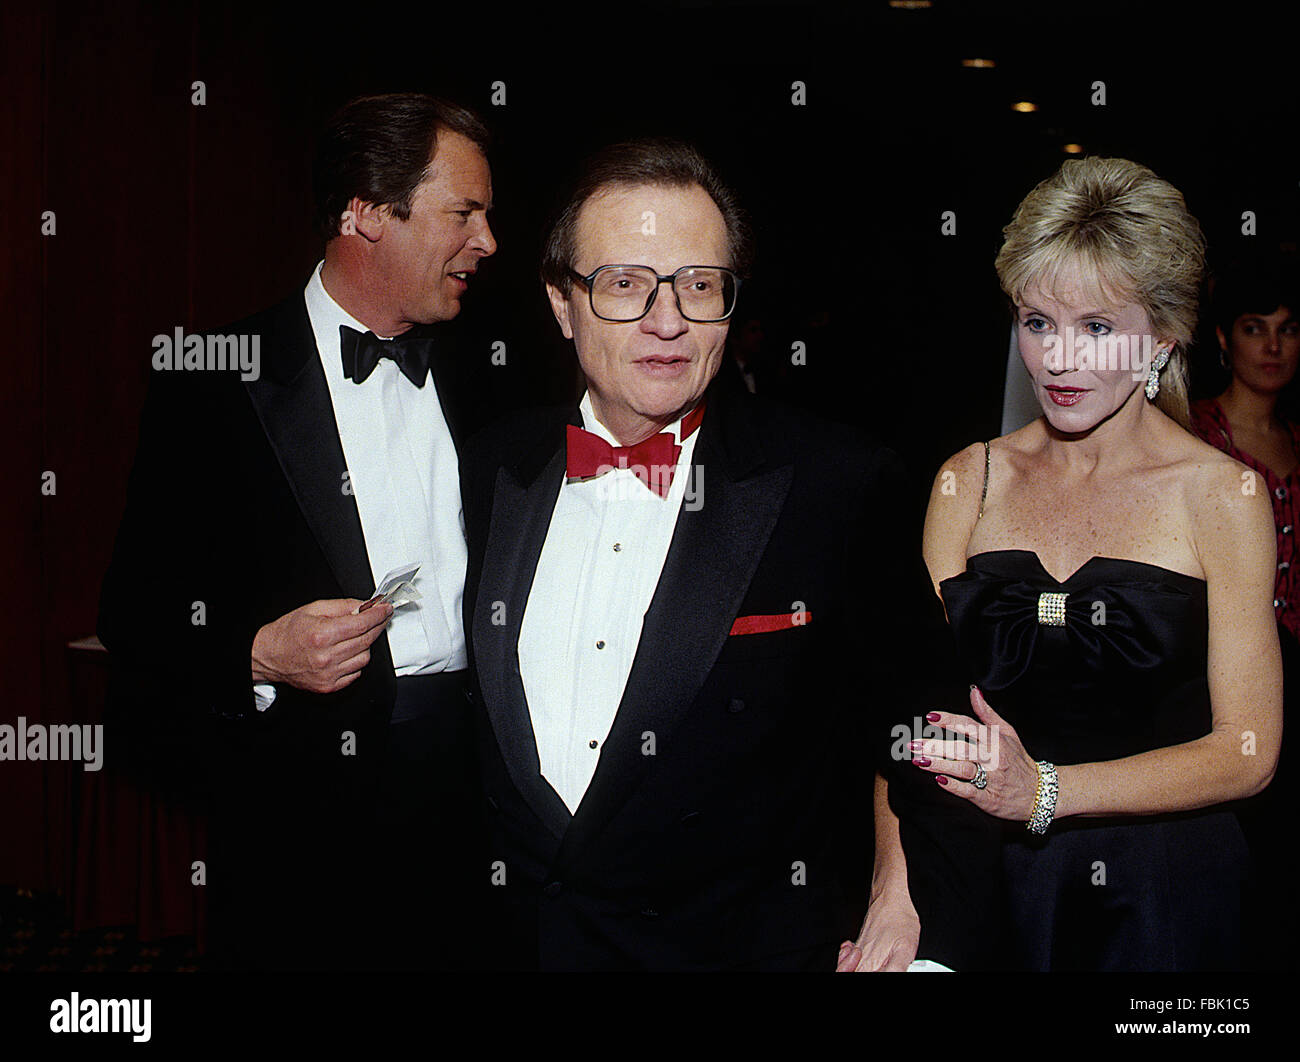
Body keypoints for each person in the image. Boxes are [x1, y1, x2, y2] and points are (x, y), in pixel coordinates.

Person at [459, 137, 967, 970]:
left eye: (699, 286)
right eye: (625, 285)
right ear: (561, 304)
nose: (669, 322)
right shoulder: (488, 469)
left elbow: (925, 721)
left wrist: (898, 900)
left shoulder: (835, 484)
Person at [97, 93, 497, 970]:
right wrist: (257, 654)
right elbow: (136, 613)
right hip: (301, 819)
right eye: (464, 214)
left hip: (475, 805)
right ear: (364, 212)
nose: (487, 242)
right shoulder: (213, 380)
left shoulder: (493, 376)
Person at [856, 157, 1281, 972]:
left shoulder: (1221, 494)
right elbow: (913, 722)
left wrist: (1045, 790)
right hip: (976, 881)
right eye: (1037, 321)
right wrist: (893, 895)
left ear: (1163, 336)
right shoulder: (967, 480)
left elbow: (1249, 751)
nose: (1057, 359)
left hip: (1160, 901)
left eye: (1096, 327)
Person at [1190, 259, 1300, 968]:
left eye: (1289, 331)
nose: (1272, 346)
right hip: (1218, 689)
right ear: (1224, 340)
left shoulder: (1298, 440)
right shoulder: (1189, 437)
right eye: (1255, 329)